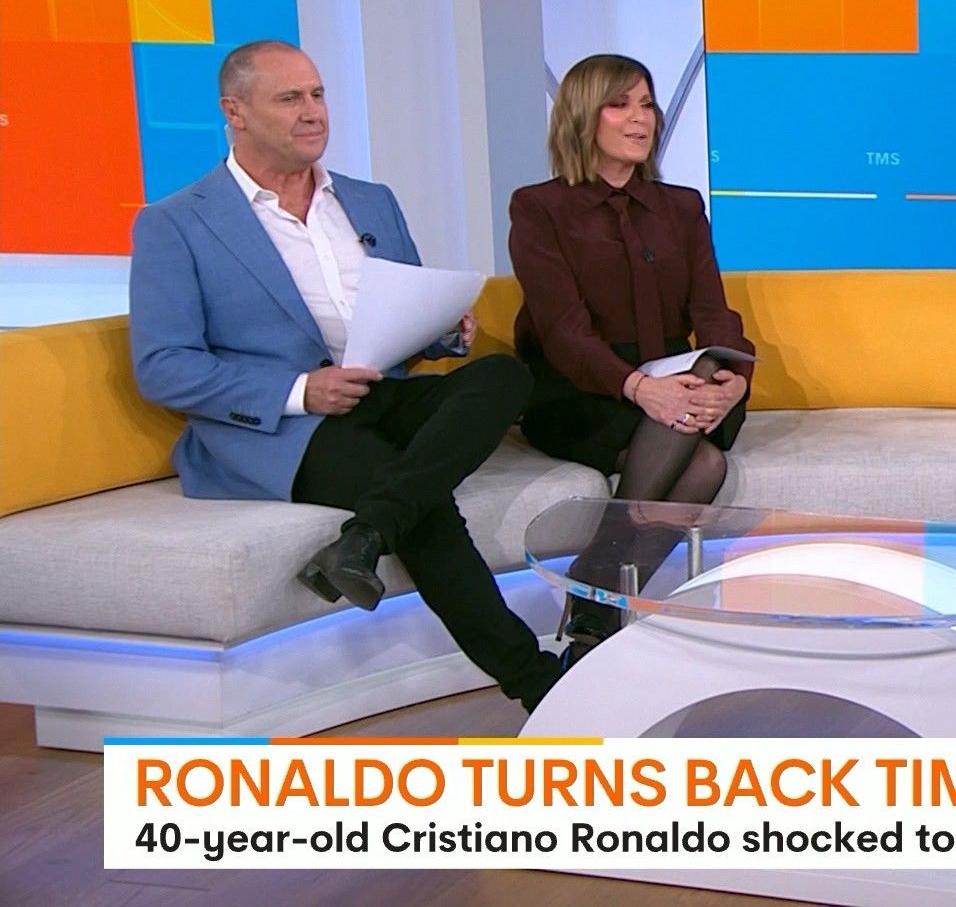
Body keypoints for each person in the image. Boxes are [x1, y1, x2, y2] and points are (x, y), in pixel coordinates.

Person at [129, 39, 565, 712]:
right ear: (235, 112)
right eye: (290, 98)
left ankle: (367, 535)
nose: (313, 112)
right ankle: (539, 684)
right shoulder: (176, 223)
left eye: (318, 95)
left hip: (379, 392)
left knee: (503, 376)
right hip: (282, 428)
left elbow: (405, 310)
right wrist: (302, 391)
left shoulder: (369, 200)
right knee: (421, 500)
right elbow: (163, 366)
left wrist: (444, 331)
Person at [507, 53, 755, 656]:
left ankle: (592, 604)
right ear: (582, 117)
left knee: (698, 425)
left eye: (646, 104)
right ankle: (600, 605)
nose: (640, 118)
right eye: (620, 105)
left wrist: (735, 378)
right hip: (582, 385)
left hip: (674, 380)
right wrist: (640, 388)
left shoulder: (681, 206)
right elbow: (563, 332)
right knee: (703, 465)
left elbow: (712, 311)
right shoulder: (539, 208)